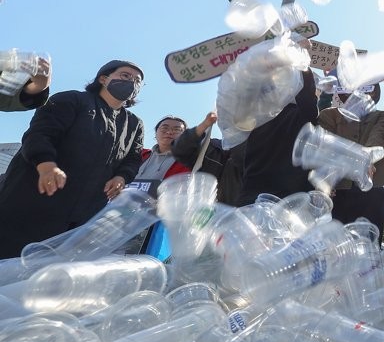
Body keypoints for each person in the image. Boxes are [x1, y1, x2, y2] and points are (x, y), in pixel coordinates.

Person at [0, 60, 145, 258]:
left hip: (80, 219)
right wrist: (46, 164)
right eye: (126, 76)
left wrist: (122, 177)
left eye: (138, 81)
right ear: (104, 78)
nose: (132, 83)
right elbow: (40, 134)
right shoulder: (71, 100)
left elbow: (133, 159)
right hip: (31, 203)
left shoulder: (135, 124)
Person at [317, 83, 384, 237]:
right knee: (337, 246)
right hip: (338, 191)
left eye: (366, 88)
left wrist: (368, 159)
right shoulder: (329, 115)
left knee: (369, 245)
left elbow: (378, 138)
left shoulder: (383, 117)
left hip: (372, 190)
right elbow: (326, 145)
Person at [237, 65, 319, 206]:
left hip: (262, 198)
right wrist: (301, 62)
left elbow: (307, 95)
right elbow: (307, 93)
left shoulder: (252, 121)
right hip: (284, 198)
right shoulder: (255, 121)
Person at [171, 111, 244, 206]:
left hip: (247, 213)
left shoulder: (259, 149)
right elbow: (180, 150)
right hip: (206, 214)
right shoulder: (209, 147)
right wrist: (205, 125)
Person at [134, 116, 191, 185]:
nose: (169, 132)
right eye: (165, 128)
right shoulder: (139, 154)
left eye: (177, 130)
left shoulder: (188, 161)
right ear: (155, 133)